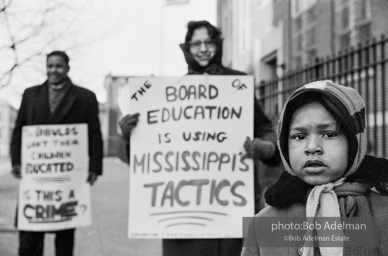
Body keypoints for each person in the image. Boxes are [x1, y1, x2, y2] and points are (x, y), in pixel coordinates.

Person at [119, 20, 280, 256]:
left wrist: (265, 148)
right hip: (183, 213)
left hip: (229, 208)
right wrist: (128, 136)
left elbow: (264, 128)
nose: (203, 49)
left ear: (218, 44)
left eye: (209, 42)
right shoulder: (169, 92)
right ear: (187, 48)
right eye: (196, 44)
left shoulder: (238, 85)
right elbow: (147, 159)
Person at [241, 80, 388, 256]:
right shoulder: (262, 225)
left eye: (329, 134)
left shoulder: (383, 213)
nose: (312, 147)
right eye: (299, 136)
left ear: (354, 142)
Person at [10, 50, 103, 256]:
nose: (54, 70)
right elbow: (19, 129)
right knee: (30, 232)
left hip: (68, 177)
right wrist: (16, 161)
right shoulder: (30, 94)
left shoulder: (85, 97)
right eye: (50, 65)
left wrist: (94, 167)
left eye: (58, 66)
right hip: (36, 177)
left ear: (68, 68)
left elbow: (94, 134)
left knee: (64, 232)